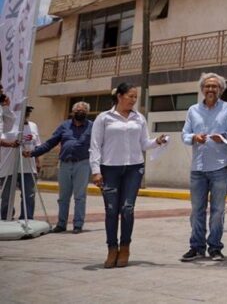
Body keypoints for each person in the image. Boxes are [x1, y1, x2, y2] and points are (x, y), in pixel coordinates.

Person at [90, 83, 166, 268]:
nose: (133, 100)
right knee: (111, 210)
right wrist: (96, 170)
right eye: (130, 96)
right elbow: (95, 145)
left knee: (127, 209)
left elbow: (144, 143)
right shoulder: (104, 118)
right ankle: (112, 249)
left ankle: (125, 248)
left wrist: (157, 142)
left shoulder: (139, 118)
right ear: (119, 96)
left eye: (135, 97)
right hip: (109, 169)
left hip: (134, 168)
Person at [180, 73, 227, 262]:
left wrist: (222, 137)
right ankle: (197, 247)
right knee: (197, 210)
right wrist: (194, 137)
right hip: (198, 168)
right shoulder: (193, 110)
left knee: (218, 211)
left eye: (214, 86)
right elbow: (185, 135)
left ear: (221, 89)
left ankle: (215, 247)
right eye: (207, 86)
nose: (211, 89)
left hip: (220, 167)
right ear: (202, 89)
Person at [26, 101, 93, 233]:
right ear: (73, 112)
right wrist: (34, 153)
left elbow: (100, 144)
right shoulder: (64, 125)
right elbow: (50, 143)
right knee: (63, 197)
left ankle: (78, 225)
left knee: (80, 197)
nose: (80, 112)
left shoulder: (92, 126)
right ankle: (61, 224)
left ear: (87, 113)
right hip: (65, 164)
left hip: (83, 164)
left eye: (83, 111)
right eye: (78, 110)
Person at [1, 106, 41, 222]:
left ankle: (27, 218)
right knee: (7, 195)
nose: (26, 114)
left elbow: (37, 145)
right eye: (24, 111)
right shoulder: (7, 125)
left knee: (29, 194)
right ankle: (6, 217)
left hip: (28, 167)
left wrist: (37, 161)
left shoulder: (33, 126)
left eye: (28, 112)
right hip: (9, 166)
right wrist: (11, 144)